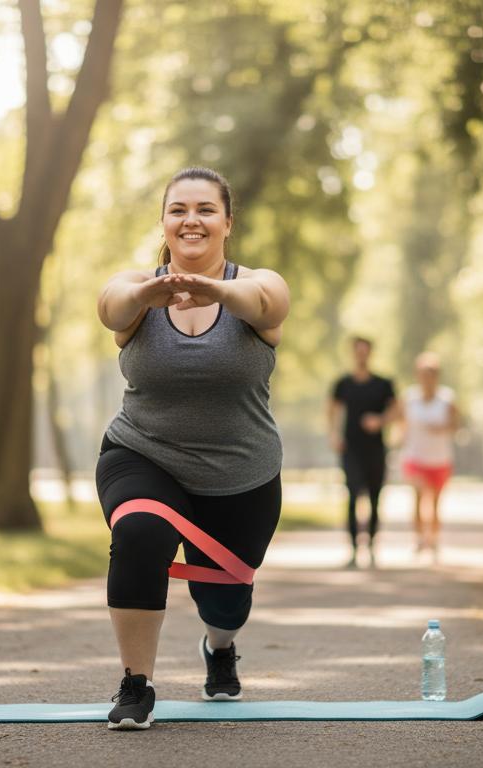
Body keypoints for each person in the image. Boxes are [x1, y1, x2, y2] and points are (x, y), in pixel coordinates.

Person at [95, 167, 290, 730]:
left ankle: (220, 647)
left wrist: (215, 290)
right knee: (139, 532)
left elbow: (267, 305)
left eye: (206, 209)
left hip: (241, 474)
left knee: (225, 603)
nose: (192, 219)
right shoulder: (136, 290)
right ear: (164, 221)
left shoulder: (258, 283)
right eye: (178, 209)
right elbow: (110, 308)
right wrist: (146, 294)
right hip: (142, 452)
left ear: (228, 222)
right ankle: (136, 685)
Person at [328, 337, 396, 568]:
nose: (361, 355)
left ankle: (373, 547)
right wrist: (334, 435)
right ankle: (354, 550)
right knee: (353, 496)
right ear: (353, 353)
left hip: (376, 449)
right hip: (351, 449)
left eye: (365, 351)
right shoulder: (343, 383)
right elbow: (332, 410)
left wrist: (380, 420)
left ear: (370, 353)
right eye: (358, 351)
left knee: (376, 498)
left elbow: (397, 411)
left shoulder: (383, 384)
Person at [397, 352, 459, 560]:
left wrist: (441, 428)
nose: (426, 378)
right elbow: (402, 422)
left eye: (431, 374)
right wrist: (399, 438)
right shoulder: (409, 398)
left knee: (435, 503)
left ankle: (433, 539)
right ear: (417, 375)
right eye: (423, 374)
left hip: (439, 458)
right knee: (417, 496)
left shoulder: (447, 399)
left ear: (437, 376)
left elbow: (455, 425)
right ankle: (418, 539)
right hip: (415, 456)